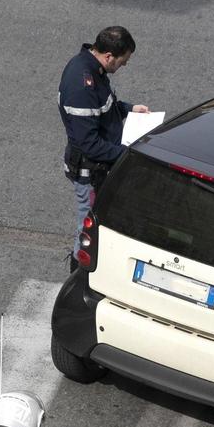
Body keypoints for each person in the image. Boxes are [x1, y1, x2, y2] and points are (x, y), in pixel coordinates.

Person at [58, 26, 149, 261]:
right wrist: (127, 155)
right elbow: (90, 144)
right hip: (90, 173)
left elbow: (105, 108)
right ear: (109, 56)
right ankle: (80, 272)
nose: (124, 65)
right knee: (88, 226)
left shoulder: (95, 70)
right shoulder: (81, 85)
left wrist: (129, 109)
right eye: (123, 61)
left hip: (100, 166)